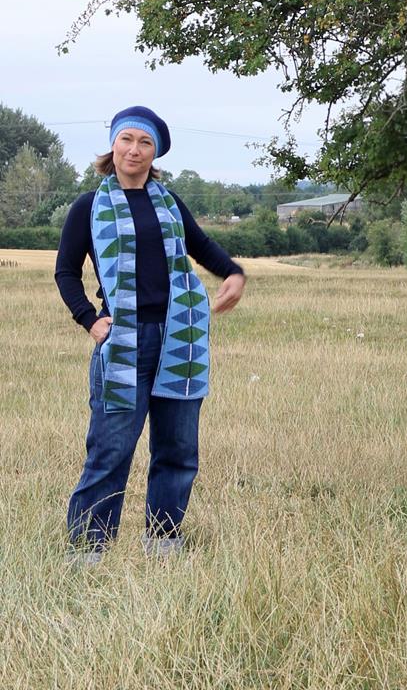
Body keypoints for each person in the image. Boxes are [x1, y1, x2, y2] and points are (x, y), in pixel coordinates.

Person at [55, 106, 246, 564]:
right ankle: (87, 550)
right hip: (123, 341)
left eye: (145, 143)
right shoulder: (89, 206)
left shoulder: (169, 203)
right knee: (110, 449)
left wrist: (233, 273)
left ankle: (164, 541)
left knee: (178, 447)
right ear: (113, 145)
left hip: (179, 338)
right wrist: (89, 318)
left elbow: (201, 246)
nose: (134, 150)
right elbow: (65, 271)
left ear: (155, 152)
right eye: (127, 139)